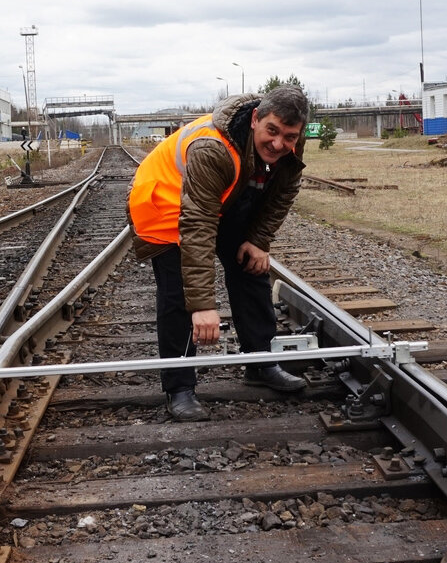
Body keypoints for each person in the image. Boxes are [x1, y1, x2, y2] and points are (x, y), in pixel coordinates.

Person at [127, 85, 310, 421]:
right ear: (256, 119)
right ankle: (179, 387)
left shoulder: (289, 144)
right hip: (167, 202)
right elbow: (197, 225)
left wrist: (258, 239)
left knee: (251, 265)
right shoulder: (213, 148)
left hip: (218, 198)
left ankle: (260, 363)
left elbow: (283, 192)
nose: (279, 143)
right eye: (272, 131)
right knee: (179, 292)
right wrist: (203, 307)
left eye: (289, 136)